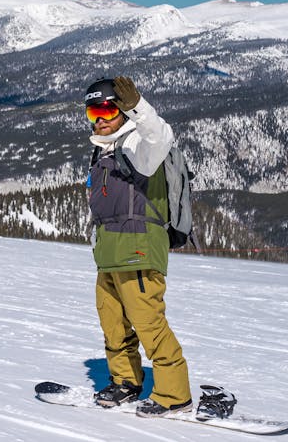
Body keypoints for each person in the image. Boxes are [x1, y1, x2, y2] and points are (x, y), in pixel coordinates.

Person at [85, 76, 192, 417]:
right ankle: (126, 381)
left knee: (148, 323)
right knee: (113, 322)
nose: (99, 119)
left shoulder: (138, 146)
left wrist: (138, 107)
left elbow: (161, 136)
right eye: (92, 112)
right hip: (110, 254)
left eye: (105, 110)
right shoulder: (103, 151)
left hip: (140, 252)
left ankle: (175, 395)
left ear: (120, 110)